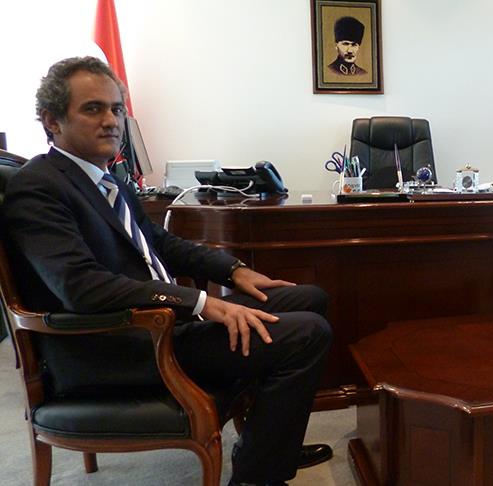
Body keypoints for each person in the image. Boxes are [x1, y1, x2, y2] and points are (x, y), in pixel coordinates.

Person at [1, 56, 334, 486]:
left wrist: (233, 271)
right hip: (117, 344)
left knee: (308, 297)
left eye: (116, 109)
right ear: (52, 120)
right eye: (93, 109)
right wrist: (199, 302)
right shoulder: (38, 187)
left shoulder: (107, 180)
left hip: (159, 325)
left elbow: (159, 243)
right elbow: (80, 287)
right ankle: (258, 476)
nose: (111, 121)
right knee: (307, 334)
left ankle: (268, 443)